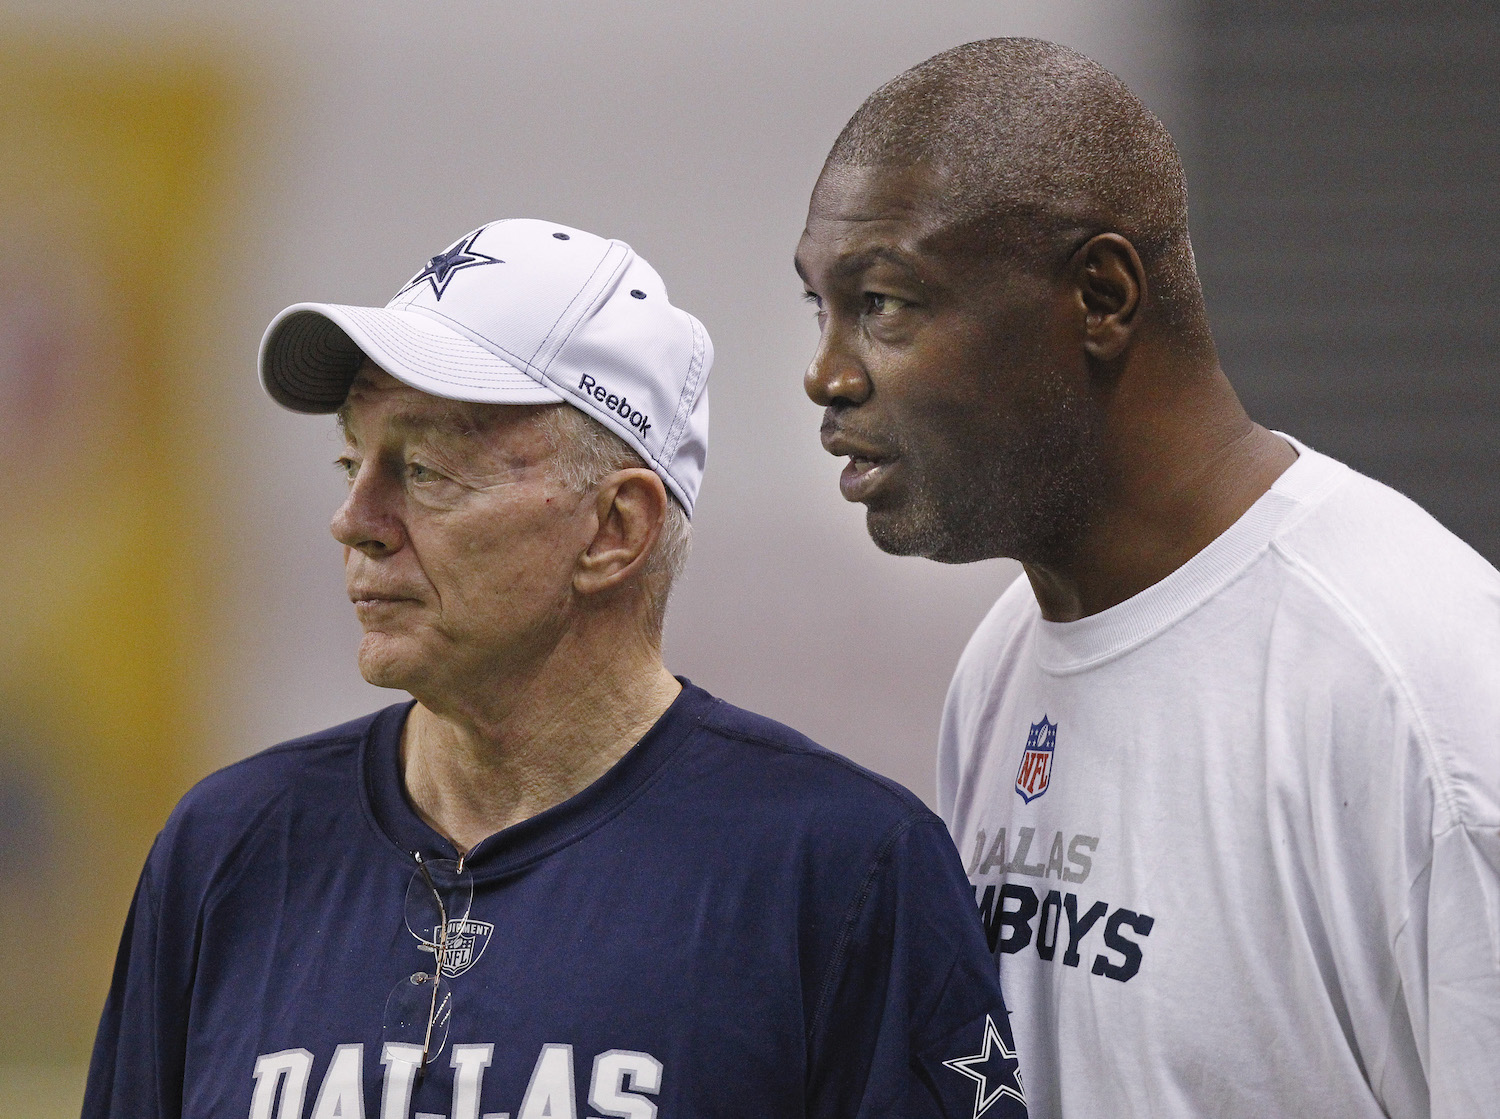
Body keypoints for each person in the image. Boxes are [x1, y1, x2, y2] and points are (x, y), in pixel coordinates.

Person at [84, 219, 1028, 1119]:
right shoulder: (230, 851)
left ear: (615, 529)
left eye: (424, 469)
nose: (356, 518)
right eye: (351, 462)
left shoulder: (838, 872)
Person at [795, 37, 1500, 1119]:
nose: (829, 373)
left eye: (885, 301)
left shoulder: (1417, 688)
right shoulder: (1002, 665)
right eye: (822, 308)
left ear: (1103, 294)